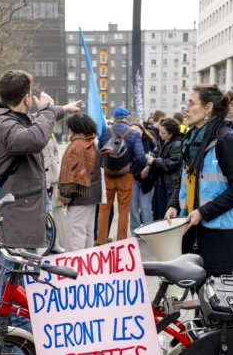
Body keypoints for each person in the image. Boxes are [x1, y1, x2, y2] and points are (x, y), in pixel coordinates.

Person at [0, 70, 80, 355]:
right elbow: (32, 137)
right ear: (25, 98)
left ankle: (7, 353)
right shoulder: (5, 123)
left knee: (14, 288)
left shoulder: (3, 118)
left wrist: (61, 109)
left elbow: (31, 126)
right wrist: (48, 111)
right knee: (21, 293)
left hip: (20, 214)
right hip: (17, 217)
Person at [164, 85, 233, 277]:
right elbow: (186, 176)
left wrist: (204, 211)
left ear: (208, 107)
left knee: (213, 301)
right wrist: (174, 203)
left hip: (220, 236)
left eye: (191, 103)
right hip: (195, 230)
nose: (186, 109)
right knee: (199, 295)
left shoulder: (228, 141)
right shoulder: (192, 139)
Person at [97, 106, 148, 245]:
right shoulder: (134, 133)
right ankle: (121, 242)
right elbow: (141, 158)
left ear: (114, 118)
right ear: (128, 118)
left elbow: (98, 153)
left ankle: (100, 241)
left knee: (104, 210)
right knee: (124, 211)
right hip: (126, 175)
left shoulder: (105, 132)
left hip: (107, 175)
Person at [58, 114, 102, 251]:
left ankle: (75, 267)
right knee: (87, 233)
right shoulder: (91, 143)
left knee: (74, 233)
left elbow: (70, 174)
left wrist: (65, 196)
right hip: (93, 194)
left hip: (79, 196)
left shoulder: (77, 146)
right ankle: (87, 267)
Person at [130, 120, 158, 236]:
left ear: (142, 130)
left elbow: (156, 156)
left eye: (137, 130)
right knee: (133, 208)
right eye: (132, 131)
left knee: (145, 207)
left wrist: (148, 166)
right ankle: (135, 232)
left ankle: (149, 232)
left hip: (148, 180)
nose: (135, 133)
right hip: (133, 178)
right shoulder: (128, 143)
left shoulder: (150, 142)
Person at [149, 118, 183, 211]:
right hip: (162, 180)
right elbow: (156, 152)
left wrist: (154, 161)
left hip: (171, 184)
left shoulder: (177, 144)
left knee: (166, 210)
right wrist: (151, 156)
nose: (160, 135)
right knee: (160, 209)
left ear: (171, 133)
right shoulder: (164, 141)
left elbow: (171, 164)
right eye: (160, 131)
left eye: (163, 133)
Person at [43, 133, 67, 253]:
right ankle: (52, 241)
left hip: (54, 176)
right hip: (44, 178)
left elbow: (56, 152)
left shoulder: (51, 137)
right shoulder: (37, 138)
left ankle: (54, 241)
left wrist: (55, 161)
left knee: (54, 210)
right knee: (48, 213)